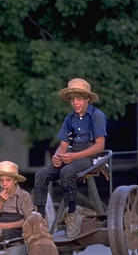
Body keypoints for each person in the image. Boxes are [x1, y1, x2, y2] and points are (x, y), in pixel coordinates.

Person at [33, 77, 107, 238]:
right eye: (72, 99)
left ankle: (72, 213)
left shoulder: (97, 116)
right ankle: (40, 217)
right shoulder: (70, 118)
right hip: (72, 153)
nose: (75, 103)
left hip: (90, 156)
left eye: (79, 99)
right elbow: (64, 144)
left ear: (87, 99)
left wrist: (74, 156)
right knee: (41, 175)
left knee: (66, 172)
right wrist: (57, 156)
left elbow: (100, 146)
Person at [0, 160, 34, 243]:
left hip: (17, 232)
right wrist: (0, 202)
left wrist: (6, 226)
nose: (4, 184)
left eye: (8, 180)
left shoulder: (24, 196)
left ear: (15, 180)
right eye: (1, 180)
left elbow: (29, 220)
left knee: (4, 235)